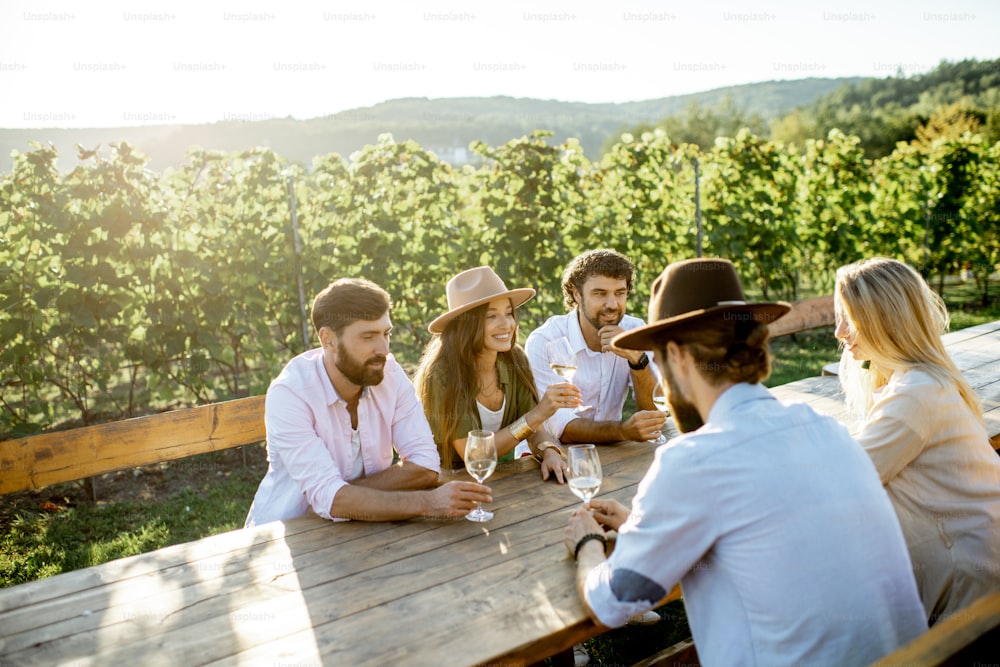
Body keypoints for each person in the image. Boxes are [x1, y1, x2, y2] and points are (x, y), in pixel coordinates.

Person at [563, 258, 927, 666]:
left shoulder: (693, 461)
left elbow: (613, 603)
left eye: (660, 361)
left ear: (678, 357)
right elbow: (757, 529)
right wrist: (642, 526)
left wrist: (587, 544)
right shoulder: (827, 429)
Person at [245, 278, 492, 527]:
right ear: (328, 340)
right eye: (368, 336)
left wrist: (342, 496)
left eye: (386, 334)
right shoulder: (290, 393)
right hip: (289, 531)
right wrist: (427, 503)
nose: (383, 349)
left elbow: (426, 465)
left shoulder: (389, 374)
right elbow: (331, 500)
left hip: (367, 528)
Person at [835, 257, 1000, 624]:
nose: (839, 332)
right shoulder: (918, 381)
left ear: (885, 320)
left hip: (973, 584)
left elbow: (844, 479)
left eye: (850, 318)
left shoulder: (917, 393)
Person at [414, 266, 581, 480]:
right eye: (491, 316)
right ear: (466, 325)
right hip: (449, 483)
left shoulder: (514, 359)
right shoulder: (442, 375)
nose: (507, 325)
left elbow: (535, 429)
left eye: (508, 313)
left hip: (503, 481)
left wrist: (549, 451)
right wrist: (538, 413)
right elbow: (473, 455)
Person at [525, 249, 665, 444]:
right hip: (550, 457)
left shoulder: (635, 330)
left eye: (620, 293)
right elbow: (562, 428)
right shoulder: (545, 340)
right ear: (577, 294)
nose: (612, 304)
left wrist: (637, 359)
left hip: (613, 453)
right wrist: (623, 431)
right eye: (600, 294)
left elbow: (654, 411)